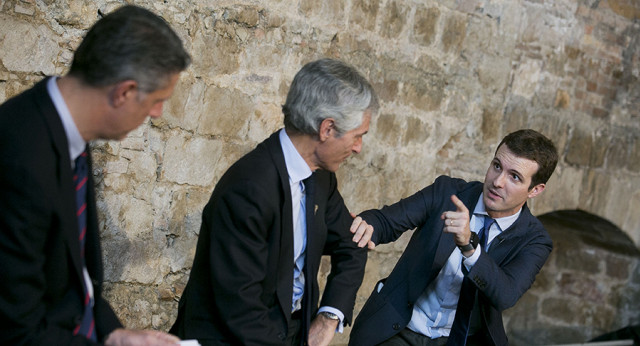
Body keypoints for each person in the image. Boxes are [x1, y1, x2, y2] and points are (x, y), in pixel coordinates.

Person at [0, 5, 190, 345]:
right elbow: (17, 329)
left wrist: (115, 334)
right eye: (157, 100)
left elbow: (77, 279)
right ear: (124, 92)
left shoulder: (69, 130)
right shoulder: (20, 159)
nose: (158, 114)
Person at [170, 58, 378, 346]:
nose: (358, 148)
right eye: (357, 137)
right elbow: (240, 306)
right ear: (327, 129)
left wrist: (328, 318)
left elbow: (352, 243)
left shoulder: (321, 179)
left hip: (289, 332)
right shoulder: (249, 188)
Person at [349, 129, 559, 346]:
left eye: (514, 177)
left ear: (535, 190)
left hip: (461, 340)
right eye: (497, 166)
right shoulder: (447, 192)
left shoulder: (534, 240)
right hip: (399, 328)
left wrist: (470, 248)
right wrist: (368, 223)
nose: (498, 182)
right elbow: (386, 221)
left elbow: (506, 294)